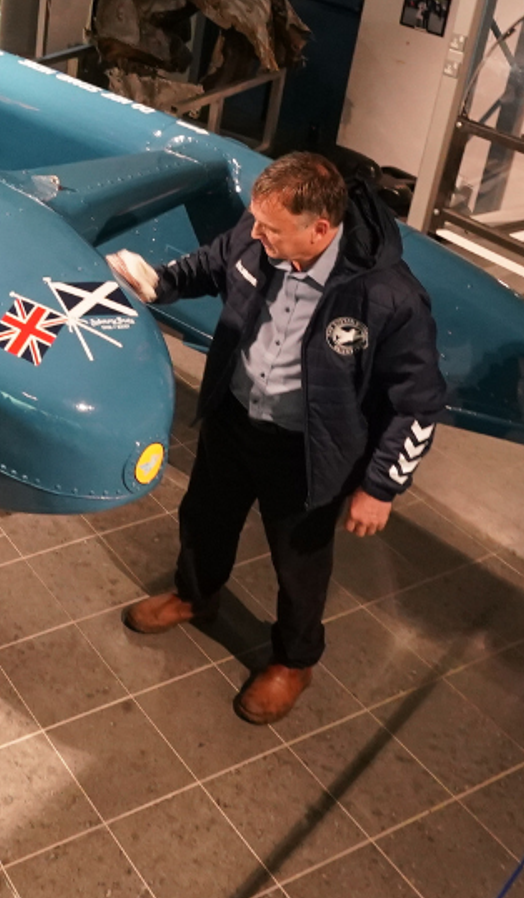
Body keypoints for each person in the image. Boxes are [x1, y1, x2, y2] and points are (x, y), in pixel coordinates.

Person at [108, 153, 445, 724]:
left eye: (271, 229)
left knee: (299, 566)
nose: (255, 233)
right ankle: (195, 596)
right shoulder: (257, 234)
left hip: (308, 451)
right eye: (256, 221)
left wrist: (381, 486)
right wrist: (160, 284)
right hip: (235, 415)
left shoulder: (390, 298)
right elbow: (211, 264)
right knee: (205, 518)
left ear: (320, 229)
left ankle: (294, 659)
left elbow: (418, 401)